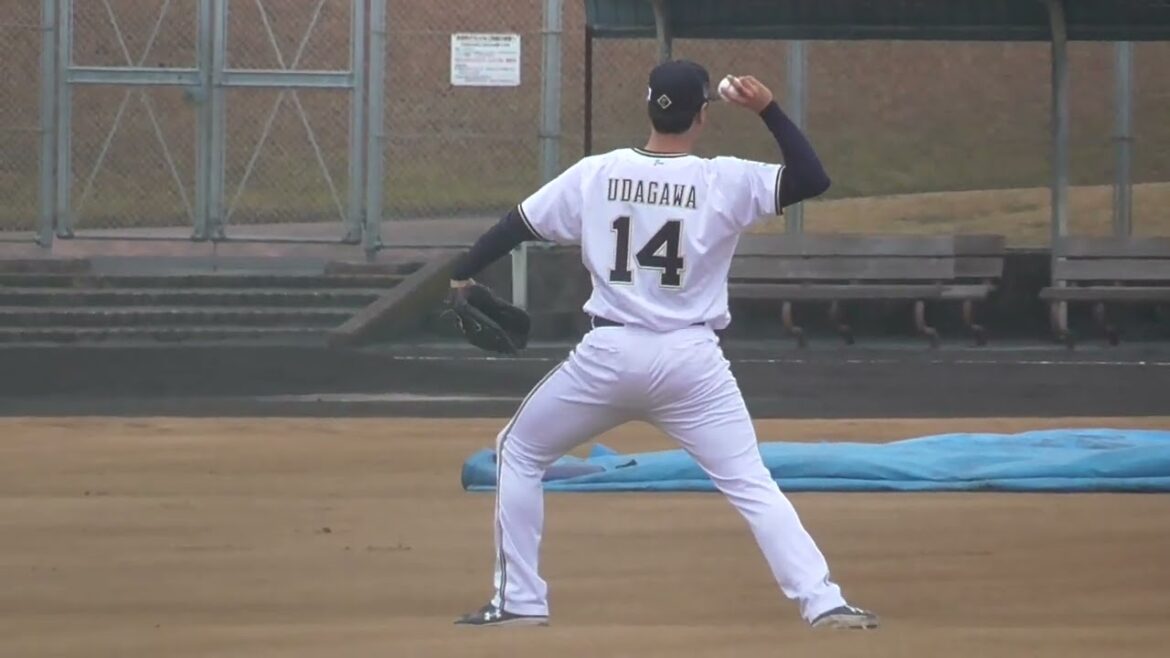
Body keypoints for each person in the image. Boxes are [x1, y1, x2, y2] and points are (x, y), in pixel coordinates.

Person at [447, 60, 879, 630]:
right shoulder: (722, 179)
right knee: (751, 481)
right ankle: (823, 601)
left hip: (608, 357)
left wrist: (462, 273)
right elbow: (811, 178)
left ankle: (521, 601)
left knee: (519, 453)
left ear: (649, 106)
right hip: (691, 364)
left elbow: (516, 224)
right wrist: (768, 109)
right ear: (702, 115)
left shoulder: (597, 174)